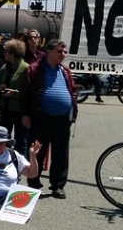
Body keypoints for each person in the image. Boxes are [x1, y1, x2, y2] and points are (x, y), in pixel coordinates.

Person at [23, 39, 78, 199]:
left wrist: (72, 111)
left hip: (62, 120)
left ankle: (58, 186)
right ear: (49, 52)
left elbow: (72, 91)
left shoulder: (65, 71)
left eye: (64, 51)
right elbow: (25, 94)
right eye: (59, 51)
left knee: (61, 154)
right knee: (37, 152)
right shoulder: (34, 69)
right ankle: (34, 184)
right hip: (41, 118)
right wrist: (25, 115)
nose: (63, 54)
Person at [0, 39, 31, 155]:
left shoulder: (26, 68)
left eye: (6, 51)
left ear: (12, 53)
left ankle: (18, 167)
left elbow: (30, 91)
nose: (4, 53)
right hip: (5, 109)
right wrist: (0, 86)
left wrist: (15, 93)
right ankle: (4, 163)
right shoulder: (5, 68)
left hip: (19, 110)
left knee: (21, 140)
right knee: (4, 138)